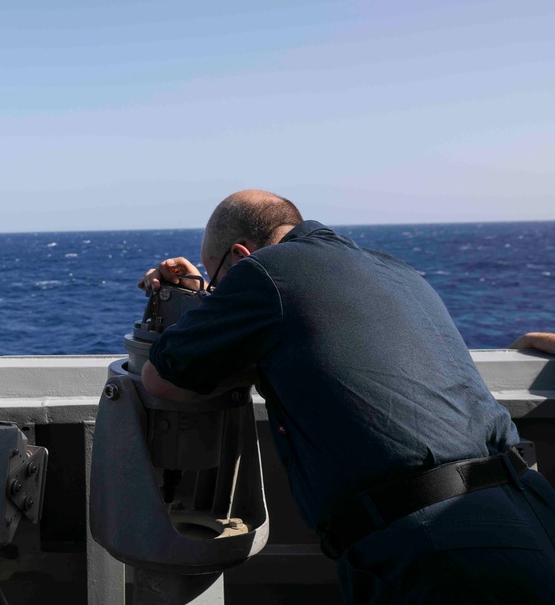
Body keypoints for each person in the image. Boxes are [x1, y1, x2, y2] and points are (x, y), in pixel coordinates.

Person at [138, 189, 555, 604]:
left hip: (440, 547)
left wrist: (196, 306)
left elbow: (163, 377)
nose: (218, 293)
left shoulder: (264, 270)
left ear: (242, 255)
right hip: (533, 509)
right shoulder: (395, 268)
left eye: (216, 281)